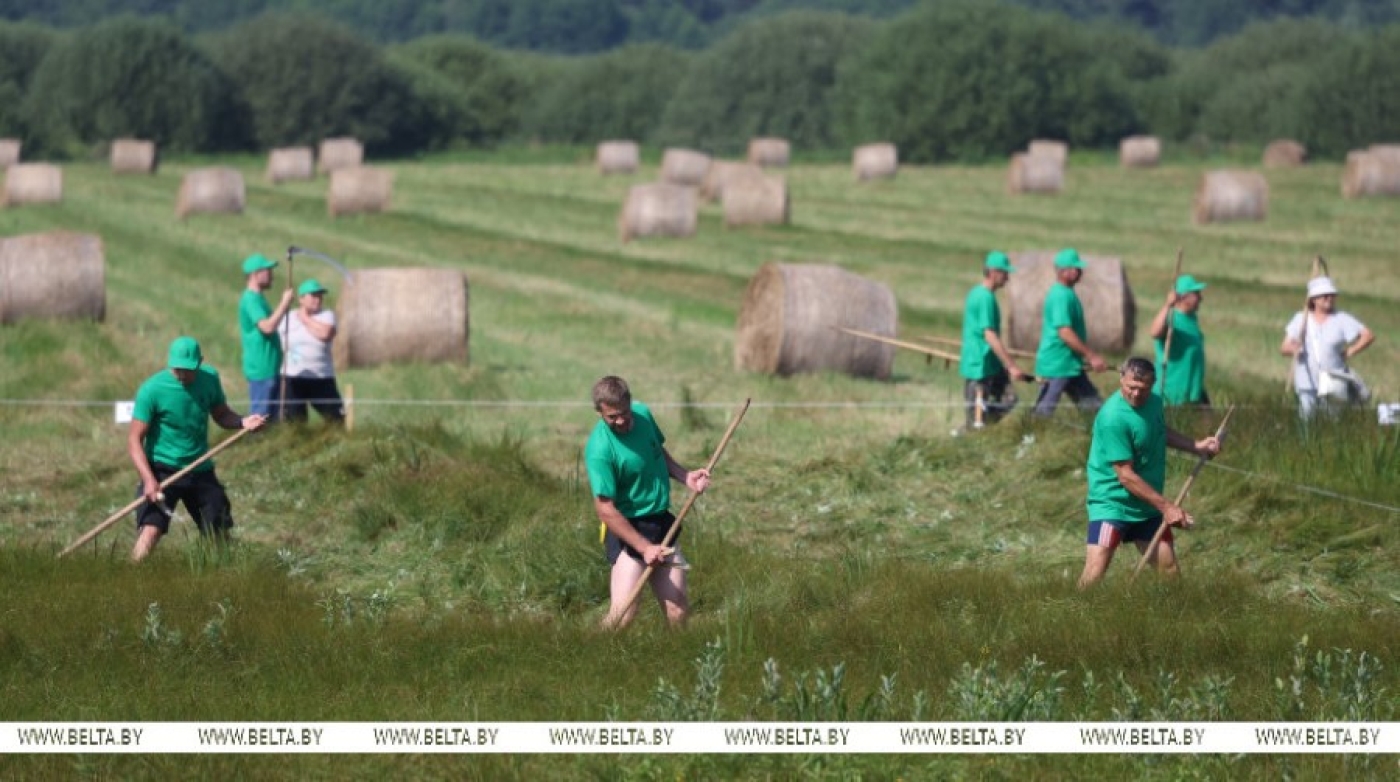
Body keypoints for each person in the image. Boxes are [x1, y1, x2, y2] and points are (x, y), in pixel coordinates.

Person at [1078, 357, 1222, 588]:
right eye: (1131, 387)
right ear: (1121, 380)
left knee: (1170, 572)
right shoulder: (1113, 418)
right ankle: (1076, 609)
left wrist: (1196, 446)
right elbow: (1125, 476)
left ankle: (1174, 611)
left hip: (1146, 506)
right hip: (1112, 504)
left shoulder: (1154, 402)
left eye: (1143, 389)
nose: (1136, 394)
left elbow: (1159, 430)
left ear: (1153, 384)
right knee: (1094, 575)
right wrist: (1167, 507)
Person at [585, 376, 711, 629]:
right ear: (599, 412)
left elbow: (656, 451)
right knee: (623, 617)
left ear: (630, 403)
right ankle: (584, 650)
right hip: (628, 529)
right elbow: (605, 510)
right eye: (612, 417)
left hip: (661, 522)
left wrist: (684, 476)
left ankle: (679, 654)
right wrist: (644, 548)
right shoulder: (599, 449)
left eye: (624, 412)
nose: (621, 421)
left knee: (678, 611)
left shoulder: (642, 415)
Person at [128, 337, 268, 562]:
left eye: (188, 370)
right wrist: (148, 480)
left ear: (200, 362)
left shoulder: (210, 379)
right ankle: (131, 575)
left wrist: (243, 422)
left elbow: (221, 414)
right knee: (151, 530)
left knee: (218, 532)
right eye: (178, 369)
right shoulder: (152, 390)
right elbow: (134, 440)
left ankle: (223, 575)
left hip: (199, 467)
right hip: (162, 469)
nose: (182, 375)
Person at [1281, 276, 1375, 420]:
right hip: (1307, 381)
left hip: (1334, 379)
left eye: (1331, 295)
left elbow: (1368, 335)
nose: (1329, 298)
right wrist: (1294, 349)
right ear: (1314, 299)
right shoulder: (1301, 318)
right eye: (1324, 296)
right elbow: (1284, 347)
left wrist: (1351, 351)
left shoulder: (1341, 318)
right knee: (1306, 420)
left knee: (1333, 421)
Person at [959, 251, 1031, 429]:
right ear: (993, 272)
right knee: (976, 417)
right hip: (980, 366)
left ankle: (983, 425)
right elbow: (990, 335)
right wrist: (1011, 366)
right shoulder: (985, 298)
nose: (1007, 277)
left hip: (990, 363)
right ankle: (974, 429)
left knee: (1009, 398)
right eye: (1005, 273)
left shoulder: (978, 293)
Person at [1033, 248, 1108, 416]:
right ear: (1063, 271)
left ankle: (1101, 429)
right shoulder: (1061, 296)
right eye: (1075, 268)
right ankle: (1031, 432)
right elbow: (1065, 332)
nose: (1079, 271)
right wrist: (1091, 356)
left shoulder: (1067, 293)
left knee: (1095, 408)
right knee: (1043, 412)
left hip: (1070, 364)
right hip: (1057, 364)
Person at [279, 278, 345, 423]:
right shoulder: (288, 317)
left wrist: (305, 319)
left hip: (321, 376)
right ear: (301, 299)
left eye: (320, 295)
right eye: (313, 295)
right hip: (293, 376)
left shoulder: (327, 315)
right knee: (295, 420)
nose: (318, 299)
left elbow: (325, 334)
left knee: (336, 418)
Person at [239, 253, 294, 419]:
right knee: (260, 420)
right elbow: (267, 327)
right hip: (261, 369)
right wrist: (284, 304)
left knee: (272, 420)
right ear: (255, 274)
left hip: (269, 368)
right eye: (268, 271)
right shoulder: (250, 299)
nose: (272, 276)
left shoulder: (258, 299)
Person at [1150, 274, 1210, 406]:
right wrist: (1168, 305)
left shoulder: (1191, 318)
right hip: (1172, 394)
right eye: (1196, 294)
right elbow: (1155, 332)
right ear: (1183, 297)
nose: (1201, 298)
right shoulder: (1172, 319)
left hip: (1193, 392)